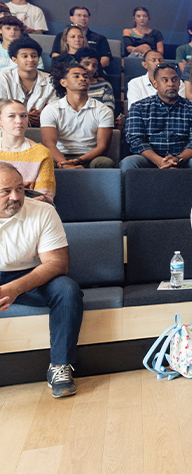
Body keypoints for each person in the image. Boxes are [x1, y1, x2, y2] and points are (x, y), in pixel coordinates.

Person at [0, 161, 83, 398]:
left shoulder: (43, 211)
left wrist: (13, 288)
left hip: (30, 275)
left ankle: (59, 367)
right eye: (5, 191)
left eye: (19, 188)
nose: (15, 197)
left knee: (67, 289)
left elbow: (57, 263)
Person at [122, 64, 192, 171]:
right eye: (165, 80)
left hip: (183, 160)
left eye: (174, 80)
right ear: (155, 84)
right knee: (129, 162)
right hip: (149, 159)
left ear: (179, 83)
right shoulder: (138, 107)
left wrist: (178, 159)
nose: (171, 84)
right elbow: (135, 140)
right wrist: (158, 160)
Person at [40, 62, 114, 169]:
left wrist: (78, 161)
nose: (83, 79)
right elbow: (49, 143)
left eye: (85, 76)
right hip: (60, 155)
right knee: (45, 162)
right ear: (63, 82)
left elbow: (103, 146)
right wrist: (64, 163)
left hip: (89, 157)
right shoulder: (51, 109)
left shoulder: (103, 110)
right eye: (76, 76)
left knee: (104, 162)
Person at [0, 99, 53, 202]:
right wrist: (24, 190)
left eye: (23, 116)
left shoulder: (42, 153)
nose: (19, 121)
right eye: (11, 116)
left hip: (32, 210)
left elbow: (44, 196)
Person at [0, 35, 52, 126]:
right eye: (25, 56)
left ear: (39, 58)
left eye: (34, 56)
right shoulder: (3, 78)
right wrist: (25, 116)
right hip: (8, 126)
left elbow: (54, 108)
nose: (30, 59)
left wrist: (43, 115)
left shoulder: (50, 80)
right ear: (14, 59)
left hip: (42, 125)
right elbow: (1, 107)